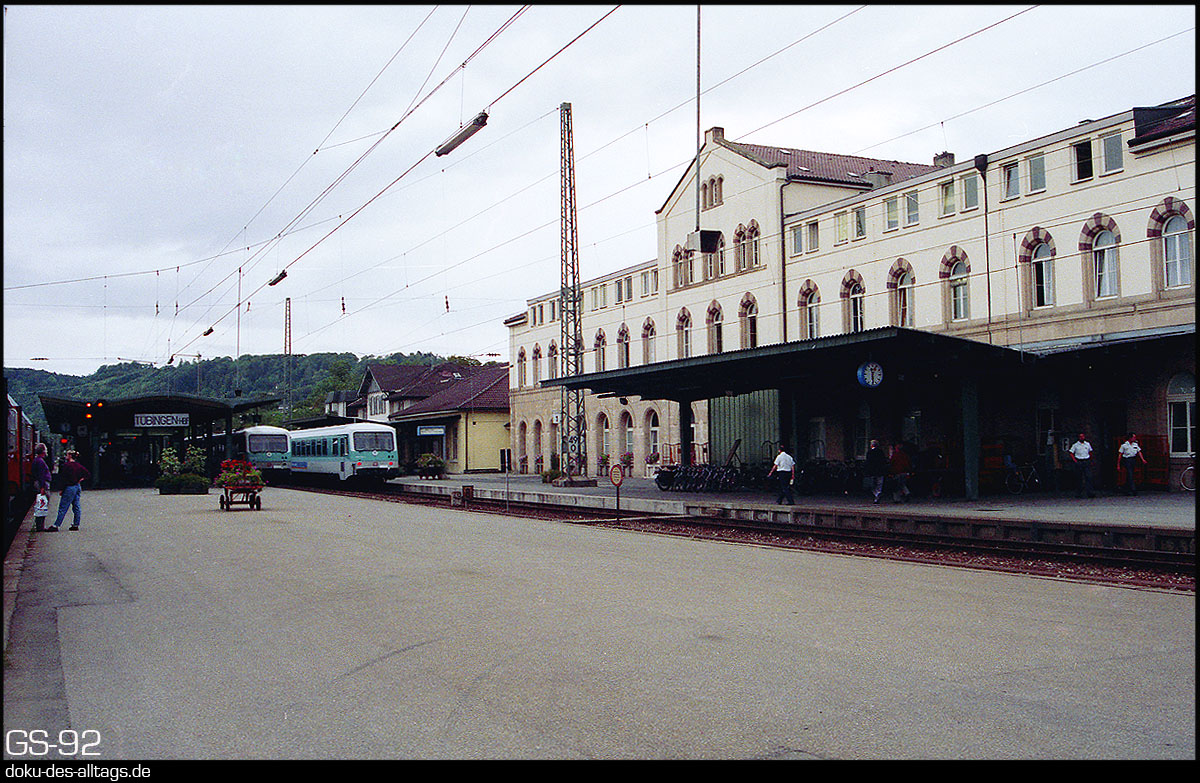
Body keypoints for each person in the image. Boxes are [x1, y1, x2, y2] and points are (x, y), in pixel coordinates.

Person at [48, 450, 91, 531]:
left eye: (67, 455)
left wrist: (61, 489)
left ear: (70, 456)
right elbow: (87, 474)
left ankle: (56, 525)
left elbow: (63, 479)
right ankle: (76, 524)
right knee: (76, 506)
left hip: (69, 488)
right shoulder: (78, 465)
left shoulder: (66, 466)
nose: (66, 456)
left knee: (63, 507)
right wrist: (81, 479)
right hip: (77, 486)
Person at [1068, 432, 1095, 498]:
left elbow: (1090, 452)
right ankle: (1078, 493)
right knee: (1079, 477)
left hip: (1086, 460)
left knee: (1088, 477)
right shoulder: (1075, 445)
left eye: (1083, 436)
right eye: (1080, 437)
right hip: (1079, 461)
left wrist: (1091, 459)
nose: (1082, 438)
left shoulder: (1087, 444)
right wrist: (1075, 460)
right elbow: (1071, 452)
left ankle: (1090, 492)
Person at [865, 439, 888, 504]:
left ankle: (876, 494)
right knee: (879, 484)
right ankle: (878, 493)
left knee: (872, 485)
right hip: (880, 471)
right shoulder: (881, 452)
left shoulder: (870, 452)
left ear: (871, 445)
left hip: (872, 471)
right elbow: (884, 461)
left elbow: (868, 462)